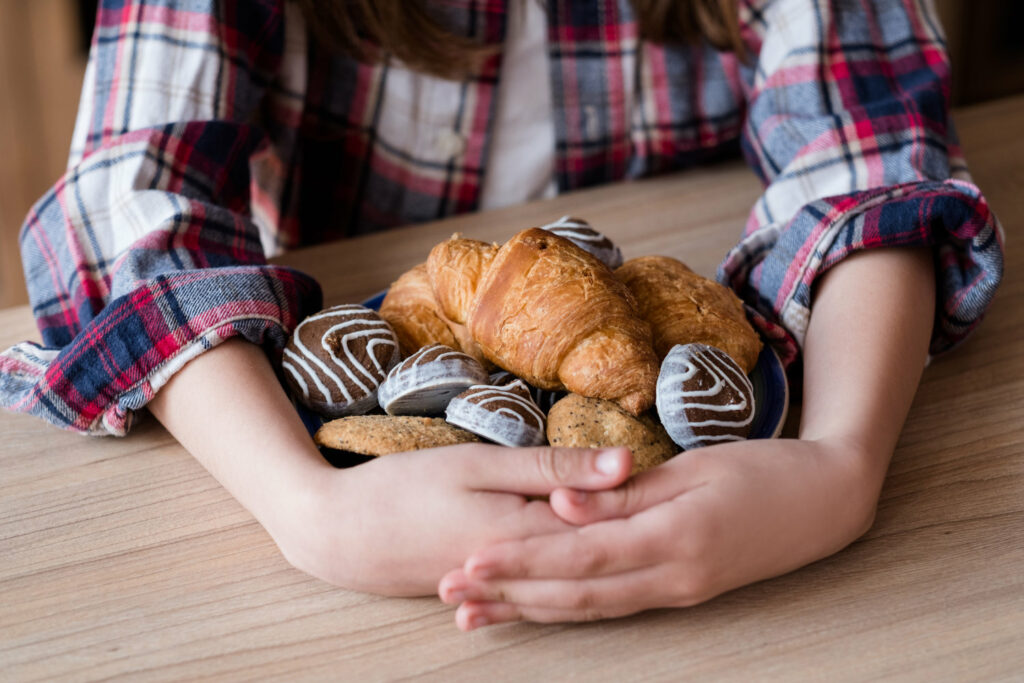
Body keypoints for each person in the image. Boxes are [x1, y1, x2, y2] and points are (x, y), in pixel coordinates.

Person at [0, 0, 1003, 631]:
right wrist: (307, 505)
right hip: (369, 438)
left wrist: (838, 462)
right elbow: (130, 205)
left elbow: (869, 157)